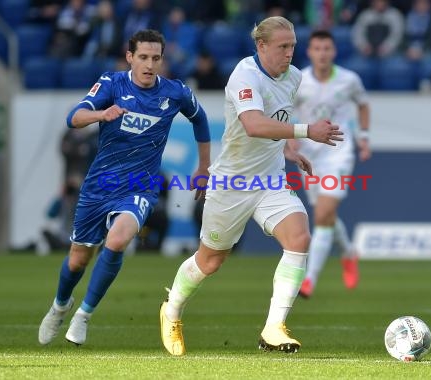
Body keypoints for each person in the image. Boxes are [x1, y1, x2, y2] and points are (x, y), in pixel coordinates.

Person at [159, 16, 343, 356]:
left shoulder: (293, 77)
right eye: (282, 47)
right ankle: (171, 310)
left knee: (300, 236)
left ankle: (274, 327)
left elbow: (278, 119)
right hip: (232, 182)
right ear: (261, 46)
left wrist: (289, 149)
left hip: (270, 179)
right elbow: (254, 125)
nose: (289, 53)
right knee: (211, 261)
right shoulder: (244, 76)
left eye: (292, 46)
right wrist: (307, 132)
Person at [38, 29, 211, 346]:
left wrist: (203, 167)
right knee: (78, 259)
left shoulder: (175, 93)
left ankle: (84, 316)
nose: (149, 64)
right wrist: (101, 114)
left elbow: (200, 120)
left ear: (162, 60)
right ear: (130, 57)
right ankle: (60, 305)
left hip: (140, 186)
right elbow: (73, 117)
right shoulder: (111, 84)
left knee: (117, 241)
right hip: (100, 183)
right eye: (143, 57)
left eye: (155, 58)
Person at [292, 30, 371, 298]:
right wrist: (291, 139)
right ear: (310, 52)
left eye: (327, 48)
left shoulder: (349, 80)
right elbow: (286, 111)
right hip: (309, 155)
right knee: (326, 215)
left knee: (323, 214)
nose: (322, 53)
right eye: (317, 48)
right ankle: (349, 253)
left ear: (334, 52)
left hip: (340, 152)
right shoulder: (298, 80)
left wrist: (364, 137)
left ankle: (309, 279)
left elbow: (363, 105)